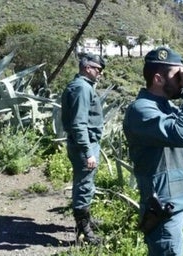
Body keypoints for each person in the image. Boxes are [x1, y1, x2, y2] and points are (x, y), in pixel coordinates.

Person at [123, 46, 183, 255]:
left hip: (175, 204)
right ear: (159, 79)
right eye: (176, 75)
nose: (181, 79)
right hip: (162, 210)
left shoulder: (166, 107)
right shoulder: (142, 110)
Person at [61, 53, 105, 245]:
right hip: (84, 145)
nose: (100, 74)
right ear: (88, 68)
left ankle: (84, 221)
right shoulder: (82, 88)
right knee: (84, 186)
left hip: (82, 143)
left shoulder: (80, 85)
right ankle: (85, 232)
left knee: (82, 183)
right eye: (98, 69)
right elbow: (79, 123)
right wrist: (88, 152)